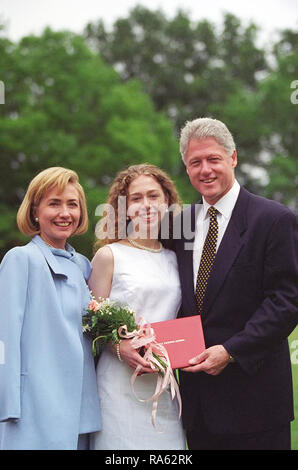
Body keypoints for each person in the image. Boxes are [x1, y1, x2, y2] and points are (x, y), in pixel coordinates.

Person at [173, 117, 298, 450]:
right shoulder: (178, 225)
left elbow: (287, 301)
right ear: (187, 169)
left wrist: (230, 351)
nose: (205, 170)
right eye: (195, 162)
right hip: (197, 407)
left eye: (213, 159)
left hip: (256, 404)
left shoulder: (274, 220)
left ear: (233, 158)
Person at [0, 167, 101, 450]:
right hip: (32, 409)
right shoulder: (20, 259)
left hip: (81, 411)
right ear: (35, 211)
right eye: (54, 203)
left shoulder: (83, 265)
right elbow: (3, 339)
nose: (64, 213)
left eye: (72, 204)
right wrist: (7, 405)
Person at [89, 163, 186, 450]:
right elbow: (90, 320)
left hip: (163, 384)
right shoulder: (109, 255)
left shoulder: (176, 258)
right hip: (117, 385)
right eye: (136, 198)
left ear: (167, 201)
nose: (146, 205)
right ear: (124, 208)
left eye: (154, 196)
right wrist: (120, 347)